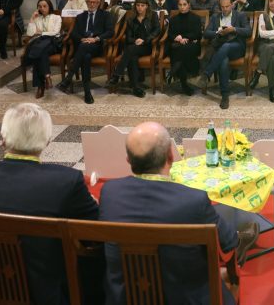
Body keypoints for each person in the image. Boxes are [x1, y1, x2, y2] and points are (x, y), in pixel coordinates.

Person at [0, 103, 101, 305]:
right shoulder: (66, 181)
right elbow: (96, 230)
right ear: (47, 141)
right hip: (51, 295)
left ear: (3, 138)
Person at [99, 122, 242, 305]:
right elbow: (228, 243)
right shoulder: (193, 200)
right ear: (171, 156)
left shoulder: (110, 193)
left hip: (125, 299)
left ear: (128, 160)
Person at [59, 0, 115, 104]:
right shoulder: (80, 16)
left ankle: (69, 77)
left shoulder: (105, 15)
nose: (92, 4)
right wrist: (82, 39)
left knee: (84, 49)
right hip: (83, 46)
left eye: (94, 2)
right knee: (86, 57)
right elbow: (73, 33)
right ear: (86, 2)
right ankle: (87, 93)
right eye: (90, 2)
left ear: (98, 3)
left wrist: (96, 38)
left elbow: (110, 32)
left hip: (97, 46)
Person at [202, 0, 252, 110]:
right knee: (223, 61)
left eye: (227, 6)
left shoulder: (240, 15)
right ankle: (225, 96)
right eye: (222, 7)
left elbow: (248, 31)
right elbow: (206, 33)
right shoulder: (215, 17)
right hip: (220, 48)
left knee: (226, 47)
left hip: (237, 47)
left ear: (232, 5)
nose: (225, 9)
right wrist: (217, 32)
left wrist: (233, 29)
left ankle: (207, 73)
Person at [109, 0, 160, 98]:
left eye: (142, 5)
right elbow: (128, 37)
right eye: (138, 5)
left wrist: (145, 40)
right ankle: (136, 88)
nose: (140, 8)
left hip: (148, 46)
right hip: (134, 46)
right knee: (132, 57)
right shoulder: (131, 18)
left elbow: (157, 31)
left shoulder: (153, 15)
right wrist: (135, 40)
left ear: (147, 6)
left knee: (130, 50)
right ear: (135, 6)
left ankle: (117, 74)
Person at [23, 0, 62, 99]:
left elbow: (55, 32)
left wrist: (41, 33)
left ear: (49, 6)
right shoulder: (37, 18)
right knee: (40, 52)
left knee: (38, 50)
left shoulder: (56, 17)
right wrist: (32, 19)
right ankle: (47, 77)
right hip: (40, 43)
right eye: (40, 6)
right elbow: (30, 33)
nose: (42, 8)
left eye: (45, 6)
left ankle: (40, 86)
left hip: (53, 42)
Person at [167, 0, 203, 95]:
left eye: (184, 4)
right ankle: (184, 85)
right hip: (178, 45)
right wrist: (177, 38)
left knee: (179, 51)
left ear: (189, 5)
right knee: (180, 55)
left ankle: (173, 71)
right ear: (177, 6)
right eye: (180, 5)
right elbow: (170, 34)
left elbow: (198, 34)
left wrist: (184, 37)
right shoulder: (173, 19)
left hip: (192, 45)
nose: (182, 7)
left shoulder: (195, 18)